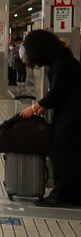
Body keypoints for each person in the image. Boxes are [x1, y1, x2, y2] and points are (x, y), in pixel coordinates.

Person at [19, 30, 81, 206]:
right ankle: (70, 194)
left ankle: (62, 196)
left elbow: (57, 92)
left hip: (74, 115)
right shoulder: (61, 60)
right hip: (70, 113)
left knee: (62, 152)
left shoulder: (62, 63)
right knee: (67, 152)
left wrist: (35, 107)